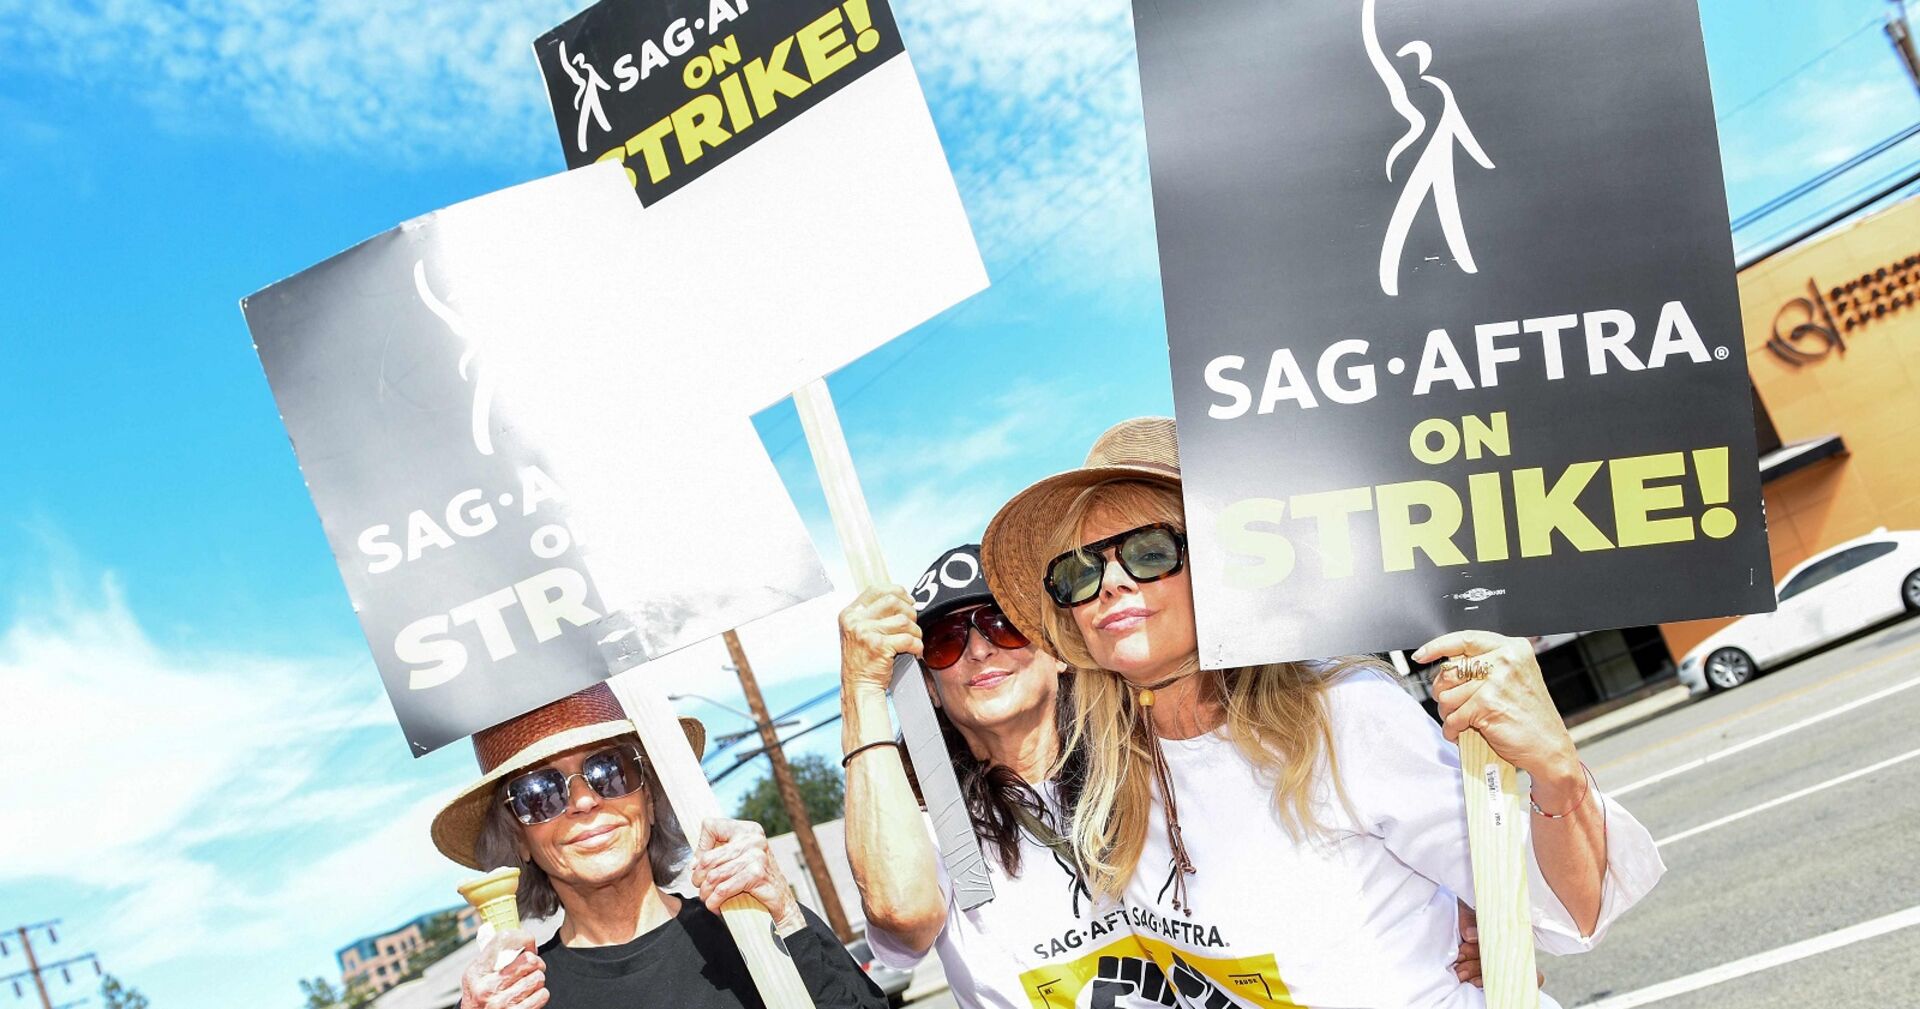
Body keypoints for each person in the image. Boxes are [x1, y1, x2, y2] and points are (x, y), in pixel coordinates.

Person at [979, 417, 1666, 1009]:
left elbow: (1567, 911)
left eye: (1149, 550)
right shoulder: (1109, 775)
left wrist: (1558, 776)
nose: (1114, 583)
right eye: (1078, 572)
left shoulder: (1341, 714)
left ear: (1224, 561)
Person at [839, 545, 1505, 1008]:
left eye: (1002, 624)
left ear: (1060, 650)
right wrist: (865, 687)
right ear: (926, 685)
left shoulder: (1155, 756)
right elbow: (901, 923)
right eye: (948, 640)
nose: (979, 647)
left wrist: (1442, 898)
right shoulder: (941, 823)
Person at [434, 682, 885, 1009]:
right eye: (540, 793)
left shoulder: (753, 925)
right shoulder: (515, 998)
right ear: (519, 839)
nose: (585, 800)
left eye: (608, 769)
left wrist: (786, 917)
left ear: (649, 798)